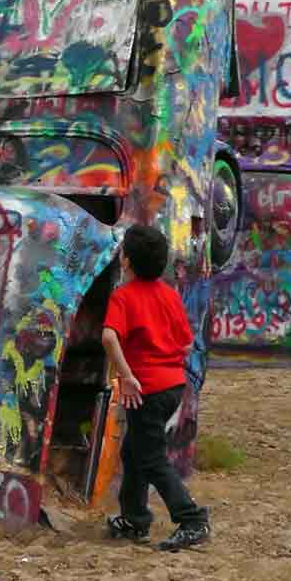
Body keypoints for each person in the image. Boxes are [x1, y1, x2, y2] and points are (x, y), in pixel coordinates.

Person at [101, 224, 210, 551]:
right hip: (172, 387)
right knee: (134, 452)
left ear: (126, 261)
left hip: (144, 390)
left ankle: (191, 519)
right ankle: (134, 519)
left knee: (151, 459)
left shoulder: (123, 296)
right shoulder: (169, 295)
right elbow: (187, 344)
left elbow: (109, 337)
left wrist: (128, 375)